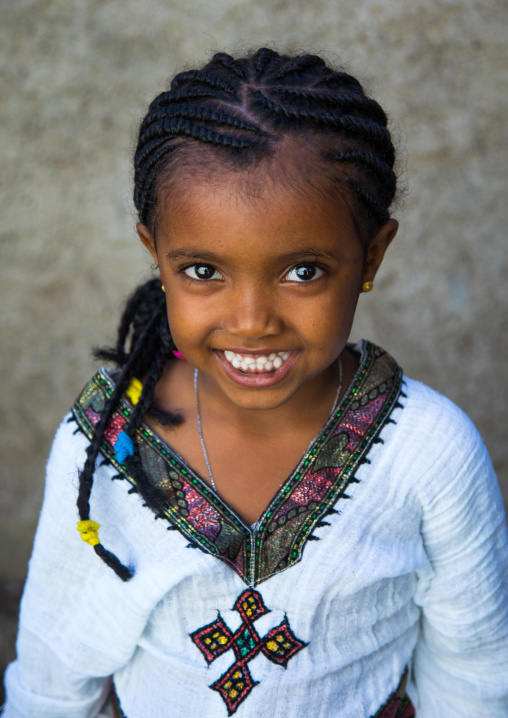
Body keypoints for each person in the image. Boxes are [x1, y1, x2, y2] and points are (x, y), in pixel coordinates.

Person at [3, 48, 508, 718]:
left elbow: (473, 670)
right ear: (155, 255)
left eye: (303, 271)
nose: (251, 322)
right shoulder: (109, 448)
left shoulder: (430, 452)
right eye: (204, 271)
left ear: (372, 254)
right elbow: (52, 670)